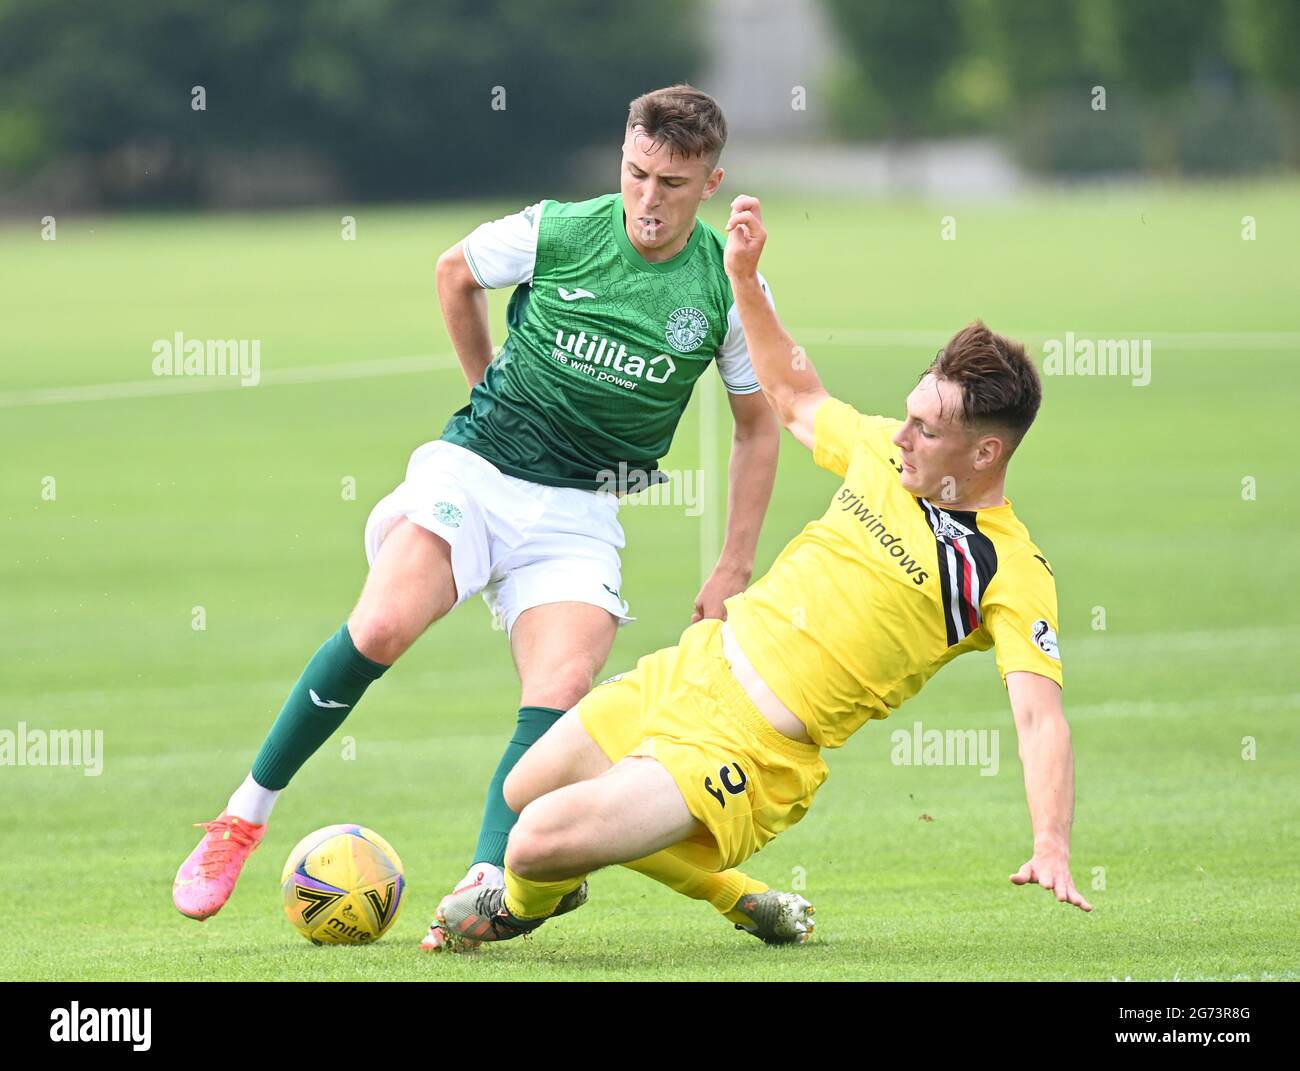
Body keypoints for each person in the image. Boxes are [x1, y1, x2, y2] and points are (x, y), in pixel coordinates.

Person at [173, 90, 817, 949]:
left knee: (558, 696)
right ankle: (241, 818)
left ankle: (484, 883)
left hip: (581, 510)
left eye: (672, 181)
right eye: (635, 173)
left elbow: (756, 422)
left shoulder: (726, 285)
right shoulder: (559, 230)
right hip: (476, 470)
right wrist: (487, 390)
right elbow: (454, 272)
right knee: (384, 624)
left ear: (710, 183)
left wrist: (734, 564)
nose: (649, 199)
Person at [433, 194, 1091, 950]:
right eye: (908, 413)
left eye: (927, 429)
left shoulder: (1006, 569)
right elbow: (793, 394)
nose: (902, 433)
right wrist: (744, 276)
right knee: (523, 790)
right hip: (694, 668)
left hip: (751, 748)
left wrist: (1052, 843)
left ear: (985, 454)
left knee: (530, 845)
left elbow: (1040, 719)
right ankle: (736, 896)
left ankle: (513, 906)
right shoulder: (884, 451)